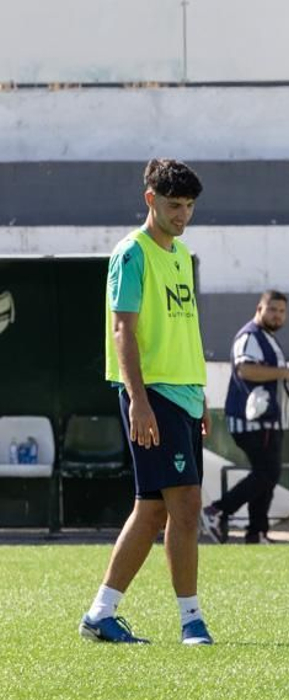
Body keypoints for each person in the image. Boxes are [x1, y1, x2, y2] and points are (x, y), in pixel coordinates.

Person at [80, 159, 215, 645]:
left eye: (189, 206)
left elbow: (184, 332)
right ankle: (191, 620)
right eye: (174, 205)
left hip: (182, 396)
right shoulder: (132, 253)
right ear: (150, 199)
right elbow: (123, 330)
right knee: (186, 505)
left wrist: (200, 397)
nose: (182, 215)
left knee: (153, 510)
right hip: (152, 394)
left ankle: (101, 612)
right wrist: (138, 400)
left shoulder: (180, 254)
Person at [200, 290, 289, 545]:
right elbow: (246, 369)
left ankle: (256, 533)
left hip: (270, 419)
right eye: (272, 309)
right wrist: (288, 374)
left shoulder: (267, 339)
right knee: (267, 473)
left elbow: (272, 374)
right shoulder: (250, 336)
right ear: (259, 308)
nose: (277, 315)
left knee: (267, 474)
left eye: (282, 311)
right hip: (254, 420)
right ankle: (217, 511)